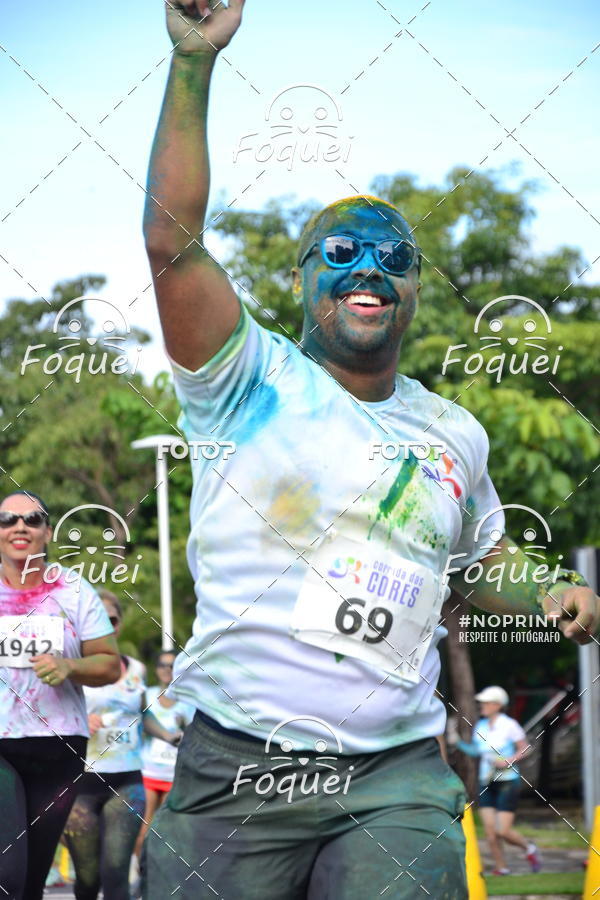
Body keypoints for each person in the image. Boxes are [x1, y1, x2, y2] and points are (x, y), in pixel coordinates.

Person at [141, 3, 600, 897]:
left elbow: (479, 556)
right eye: (342, 251)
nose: (369, 269)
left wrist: (547, 590)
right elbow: (171, 241)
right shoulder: (248, 377)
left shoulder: (452, 430)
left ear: (415, 287)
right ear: (302, 275)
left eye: (393, 256)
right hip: (238, 766)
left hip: (396, 773)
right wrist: (193, 63)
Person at [0, 491, 120, 900]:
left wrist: (70, 667)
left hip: (59, 746)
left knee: (32, 877)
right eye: (7, 520)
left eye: (32, 519)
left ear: (47, 532)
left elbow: (109, 663)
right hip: (0, 745)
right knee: (7, 873)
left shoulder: (73, 589)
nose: (19, 526)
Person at [64, 590, 182, 900]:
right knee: (88, 880)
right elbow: (46, 720)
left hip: (127, 783)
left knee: (116, 873)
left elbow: (144, 716)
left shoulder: (137, 669)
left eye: (111, 619)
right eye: (96, 618)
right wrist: (77, 724)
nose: (105, 625)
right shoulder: (70, 668)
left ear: (119, 624)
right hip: (82, 786)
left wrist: (170, 736)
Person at [456, 686, 541, 875]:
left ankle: (529, 848)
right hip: (486, 781)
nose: (482, 706)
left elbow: (526, 748)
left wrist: (509, 761)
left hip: (507, 781)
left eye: (486, 703)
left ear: (497, 705)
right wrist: (457, 743)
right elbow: (476, 752)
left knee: (503, 831)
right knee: (490, 832)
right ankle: (501, 867)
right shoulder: (481, 726)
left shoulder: (509, 724)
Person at [133, 651, 194, 863]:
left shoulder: (188, 701)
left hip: (174, 775)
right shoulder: (147, 695)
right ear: (156, 669)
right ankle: (137, 876)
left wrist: (185, 726)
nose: (166, 669)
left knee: (165, 831)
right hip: (149, 770)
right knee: (143, 826)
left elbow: (195, 737)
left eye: (171, 665)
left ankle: (158, 876)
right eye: (162, 665)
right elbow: (136, 726)